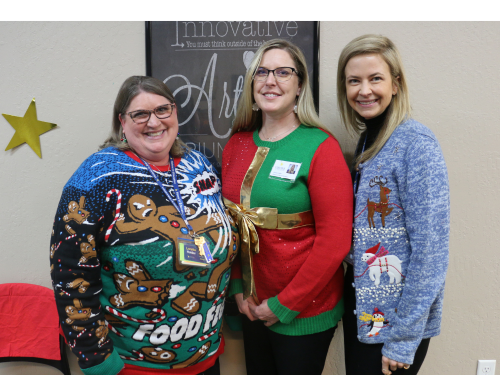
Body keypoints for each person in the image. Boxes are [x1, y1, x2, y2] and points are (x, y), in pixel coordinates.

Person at [49, 76, 238, 375]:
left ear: (175, 113)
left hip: (204, 354)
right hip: (133, 364)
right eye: (140, 114)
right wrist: (97, 360)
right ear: (122, 122)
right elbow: (70, 274)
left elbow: (225, 233)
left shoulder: (199, 164)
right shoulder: (95, 179)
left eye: (163, 110)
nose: (154, 122)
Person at [221, 39, 353, 375]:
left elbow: (335, 242)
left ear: (299, 86)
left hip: (304, 308)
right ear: (251, 85)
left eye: (283, 72)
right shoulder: (236, 144)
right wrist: (238, 288)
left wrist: (284, 304)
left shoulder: (320, 146)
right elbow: (231, 226)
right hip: (251, 305)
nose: (271, 80)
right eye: (261, 72)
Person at [337, 35, 450, 375]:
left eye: (375, 79)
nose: (364, 90)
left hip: (394, 327)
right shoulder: (369, 140)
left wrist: (403, 339)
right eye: (354, 80)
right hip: (365, 313)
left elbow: (431, 254)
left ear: (396, 84)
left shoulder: (416, 144)